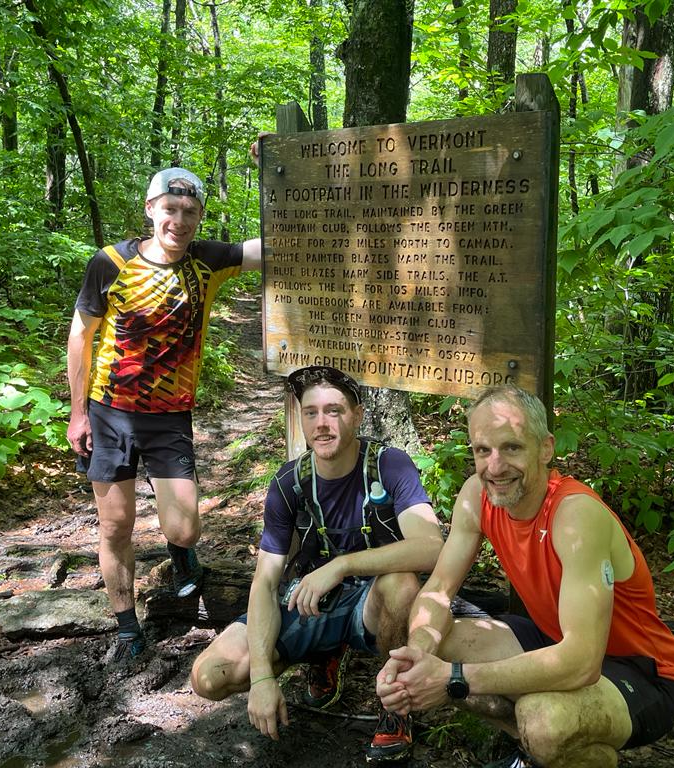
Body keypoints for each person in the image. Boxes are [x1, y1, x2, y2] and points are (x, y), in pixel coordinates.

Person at [376, 386, 674, 768]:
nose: (495, 466)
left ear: (545, 448)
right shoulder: (477, 495)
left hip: (641, 669)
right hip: (551, 638)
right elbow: (439, 590)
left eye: (511, 448)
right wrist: (418, 656)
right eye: (482, 450)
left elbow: (581, 662)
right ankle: (540, 753)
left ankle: (550, 746)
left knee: (545, 721)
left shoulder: (576, 516)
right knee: (440, 641)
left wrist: (453, 678)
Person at [191, 365, 444, 762]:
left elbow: (431, 546)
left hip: (372, 606)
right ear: (300, 419)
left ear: (357, 416)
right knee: (208, 677)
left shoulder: (388, 465)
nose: (321, 424)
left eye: (334, 411)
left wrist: (341, 566)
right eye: (311, 413)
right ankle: (322, 654)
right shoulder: (288, 483)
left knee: (402, 583)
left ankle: (396, 705)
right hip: (311, 604)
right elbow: (265, 581)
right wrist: (261, 676)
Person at [67, 166, 261, 664]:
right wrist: (78, 414)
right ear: (151, 208)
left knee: (184, 527)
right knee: (115, 526)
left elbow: (276, 243)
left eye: (190, 211)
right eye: (170, 209)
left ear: (199, 216)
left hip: (169, 416)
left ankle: (182, 557)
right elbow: (80, 336)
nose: (180, 220)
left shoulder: (208, 260)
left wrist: (274, 170)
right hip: (108, 412)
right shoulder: (109, 263)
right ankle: (127, 627)